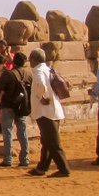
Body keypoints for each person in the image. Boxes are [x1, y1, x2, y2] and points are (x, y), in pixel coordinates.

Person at [28, 48, 70, 177]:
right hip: (53, 110)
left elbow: (41, 84)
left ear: (34, 59)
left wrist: (42, 97)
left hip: (45, 112)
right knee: (47, 142)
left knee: (53, 143)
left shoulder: (39, 71)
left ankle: (64, 169)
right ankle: (42, 168)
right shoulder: (48, 69)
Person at [0, 52, 31, 167]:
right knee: (22, 131)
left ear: (13, 61)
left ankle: (8, 159)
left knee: (7, 131)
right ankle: (24, 158)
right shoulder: (28, 74)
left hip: (8, 105)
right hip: (22, 105)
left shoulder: (8, 74)